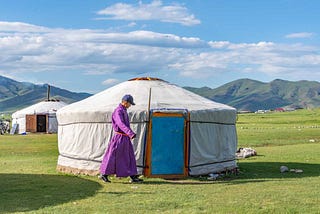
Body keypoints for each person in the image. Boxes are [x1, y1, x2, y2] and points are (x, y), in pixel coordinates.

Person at [99, 94, 143, 183]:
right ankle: (104, 174)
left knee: (129, 156)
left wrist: (129, 134)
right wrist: (130, 133)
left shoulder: (124, 110)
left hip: (125, 137)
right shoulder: (118, 111)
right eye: (130, 104)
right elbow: (120, 124)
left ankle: (133, 176)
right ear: (125, 102)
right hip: (119, 138)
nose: (130, 106)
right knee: (112, 156)